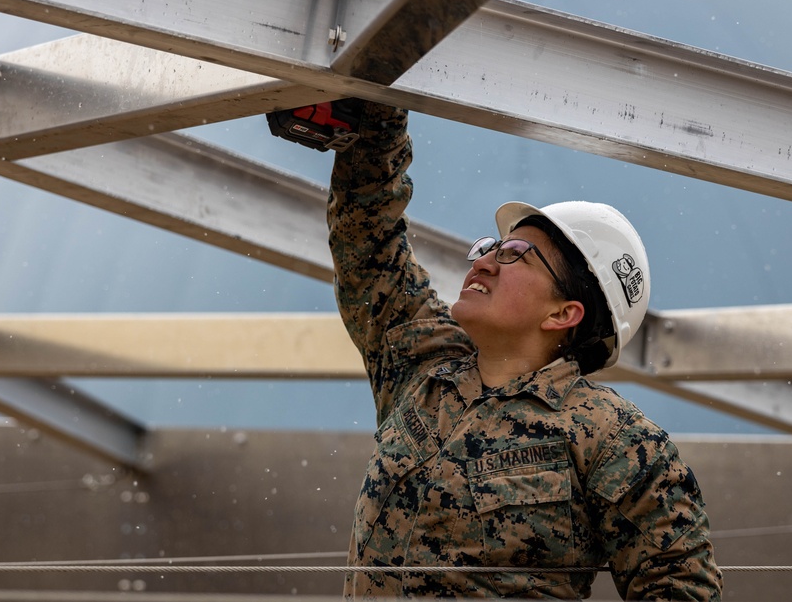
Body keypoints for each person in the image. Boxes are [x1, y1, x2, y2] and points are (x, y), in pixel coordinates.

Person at [277, 100, 723, 599]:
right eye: (491, 247)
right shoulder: (423, 363)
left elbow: (682, 588)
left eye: (515, 256)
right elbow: (369, 241)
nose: (485, 261)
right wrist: (377, 117)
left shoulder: (612, 438)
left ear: (563, 314)